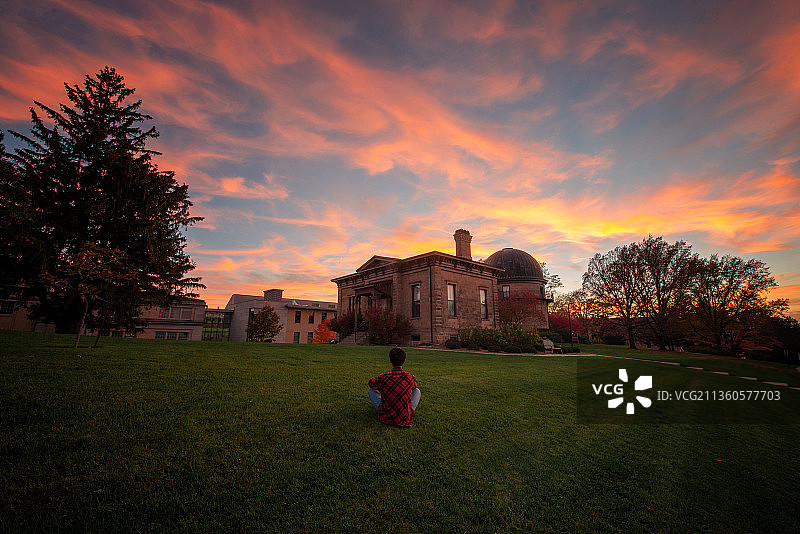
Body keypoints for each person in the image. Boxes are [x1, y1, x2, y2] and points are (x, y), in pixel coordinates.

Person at [368, 347, 421, 428]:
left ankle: (385, 408)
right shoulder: (410, 377)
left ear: (390, 360)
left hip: (386, 416)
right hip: (404, 417)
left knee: (371, 390)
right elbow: (415, 385)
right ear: (404, 361)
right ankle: (409, 410)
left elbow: (371, 383)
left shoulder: (384, 377)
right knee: (417, 391)